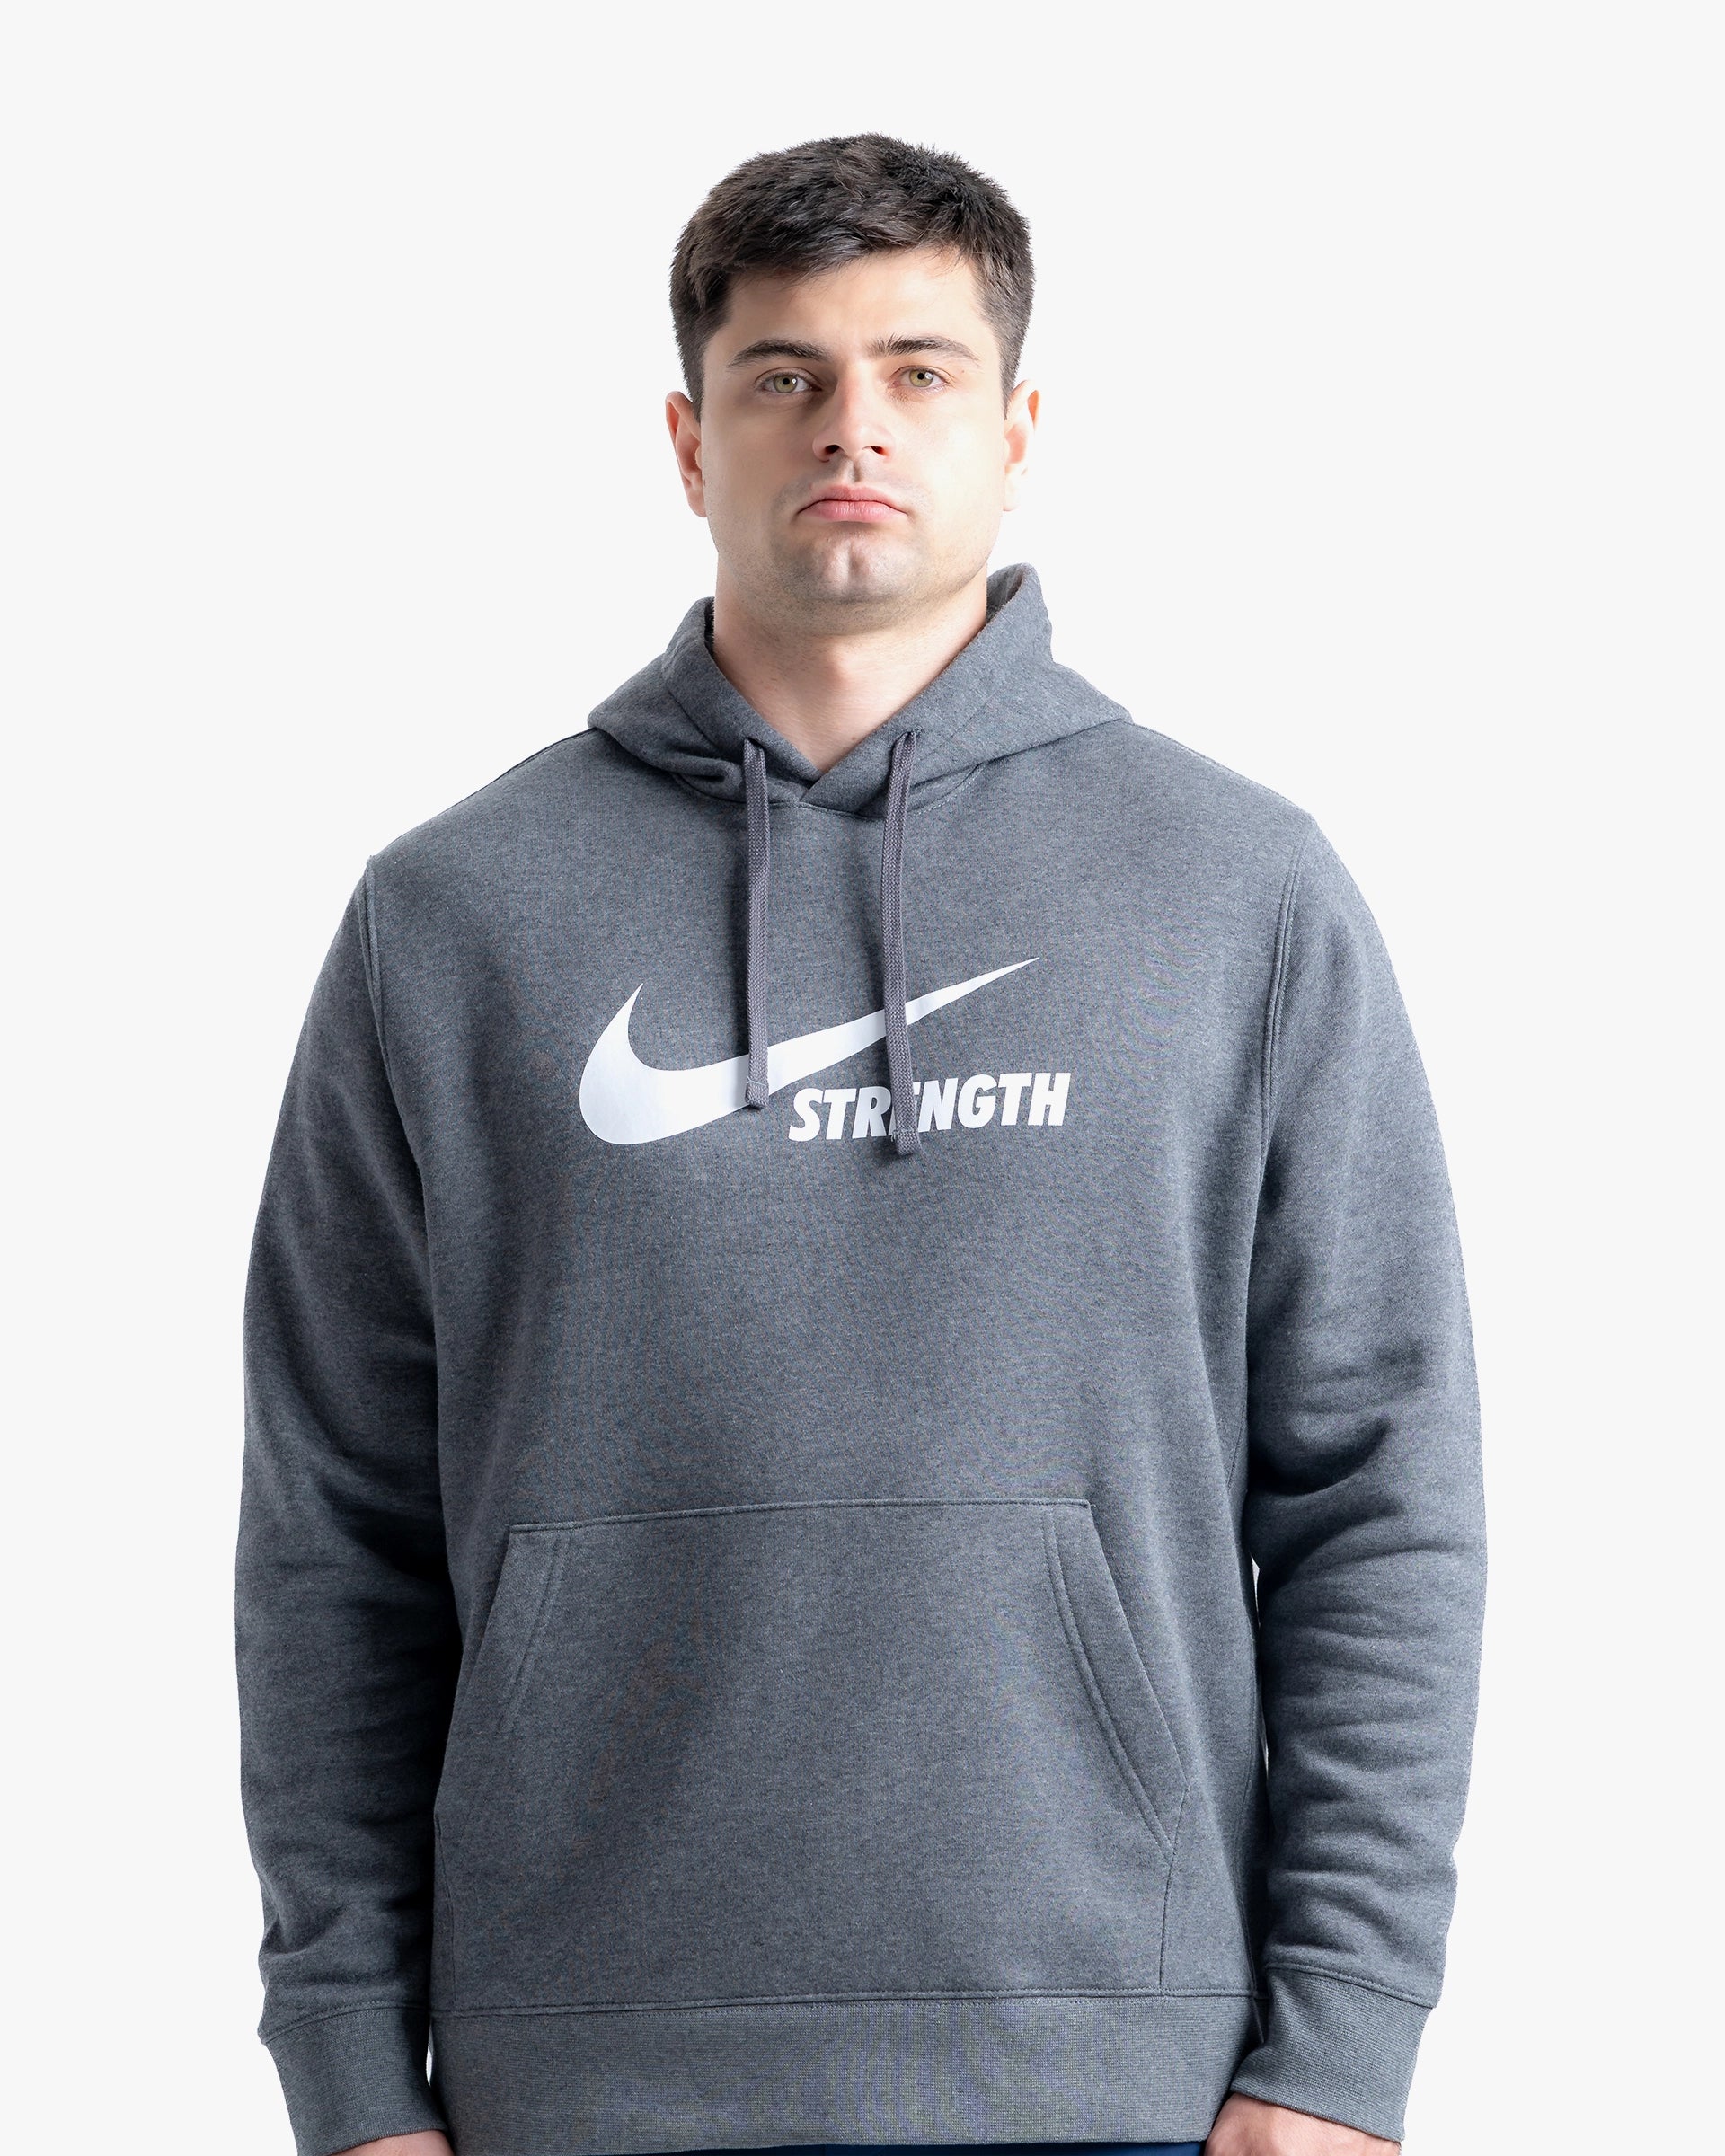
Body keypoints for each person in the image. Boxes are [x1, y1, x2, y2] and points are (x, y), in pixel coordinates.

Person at [235, 135, 1485, 2156]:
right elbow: (334, 1531)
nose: (853, 427)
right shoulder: (454, 919)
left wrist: (1339, 2048)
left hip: (1116, 2064)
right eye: (785, 375)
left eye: (919, 371)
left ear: (1019, 431)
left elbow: (1380, 1492)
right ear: (687, 439)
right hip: (582, 2074)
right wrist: (351, 2073)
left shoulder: (1237, 892)